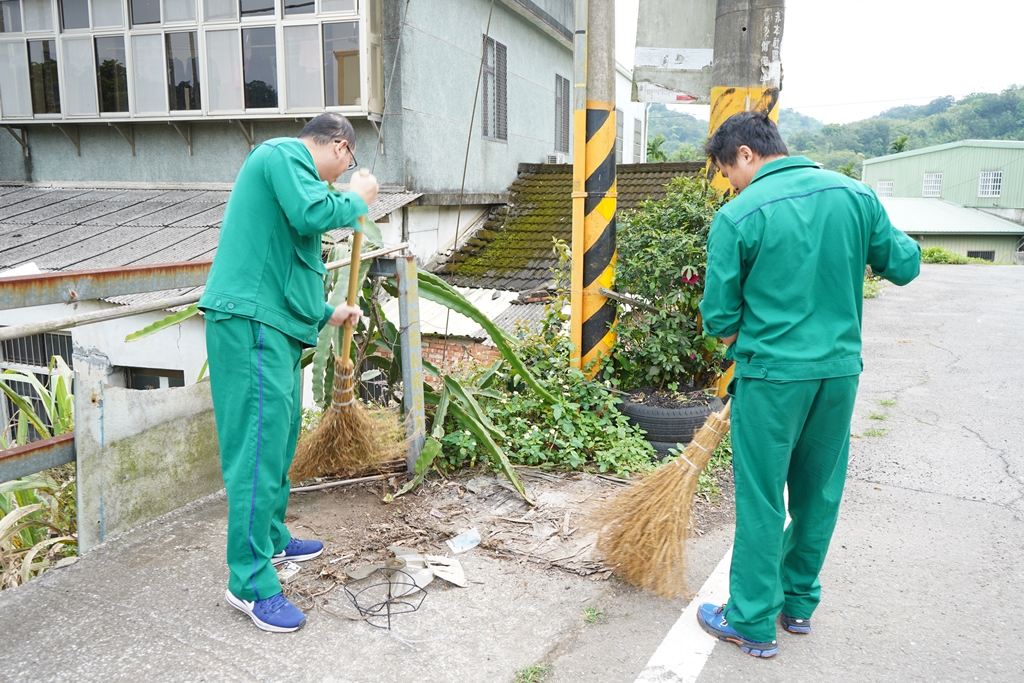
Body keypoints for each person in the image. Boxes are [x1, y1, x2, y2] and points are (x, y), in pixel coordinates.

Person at [696, 110, 920, 657]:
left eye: (728, 171)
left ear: (745, 154)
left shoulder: (739, 215)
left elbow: (719, 322)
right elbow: (907, 264)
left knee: (762, 499)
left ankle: (750, 620)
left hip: (772, 378)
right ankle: (797, 604)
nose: (731, 183)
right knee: (818, 492)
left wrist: (750, 344)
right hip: (839, 374)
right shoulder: (856, 196)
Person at [198, 113, 378, 633]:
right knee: (257, 448)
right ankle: (249, 584)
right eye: (349, 165)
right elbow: (310, 214)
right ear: (341, 149)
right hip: (250, 324)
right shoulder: (283, 155)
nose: (343, 175)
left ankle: (272, 539)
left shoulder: (288, 172)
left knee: (276, 442)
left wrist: (328, 313)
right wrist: (358, 195)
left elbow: (288, 265)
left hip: (270, 327)